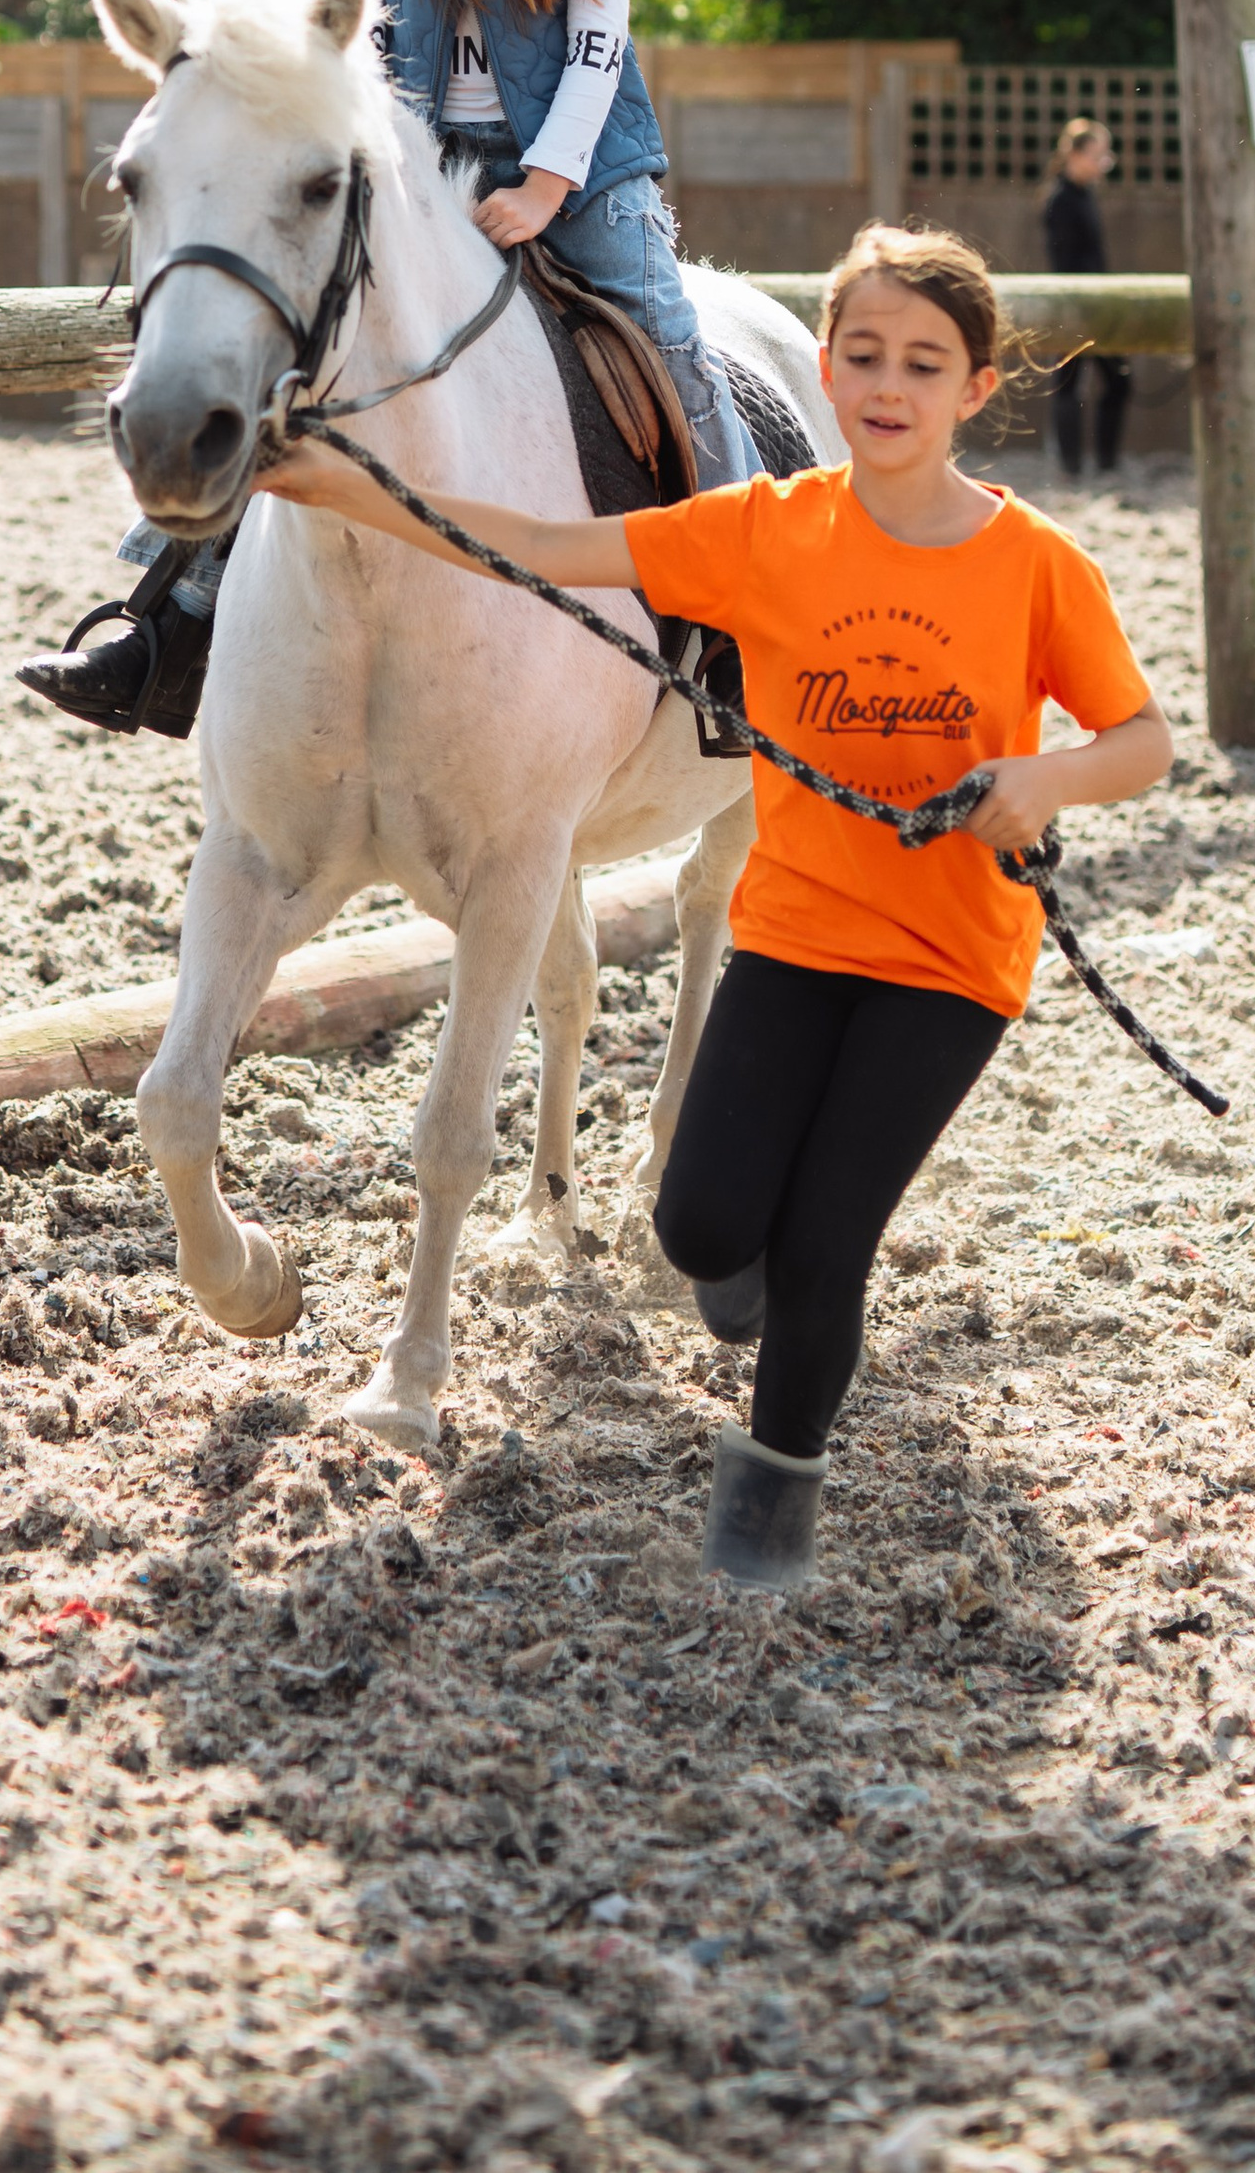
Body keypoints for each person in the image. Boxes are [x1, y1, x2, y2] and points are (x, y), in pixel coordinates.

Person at [260, 220, 1171, 1590]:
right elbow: (540, 545)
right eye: (861, 353)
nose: (887, 383)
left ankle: (773, 1499)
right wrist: (357, 491)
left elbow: (1144, 742)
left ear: (976, 391)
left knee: (825, 1243)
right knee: (700, 1233)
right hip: (794, 940)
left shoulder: (1034, 564)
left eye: (925, 363)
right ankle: (749, 1285)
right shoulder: (766, 531)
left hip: (948, 958)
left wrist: (1043, 779)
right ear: (823, 365)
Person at [20, 0, 756, 737]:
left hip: (578, 165)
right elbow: (359, 30)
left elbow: (597, 31)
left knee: (669, 338)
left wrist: (550, 180)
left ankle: (737, 617)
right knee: (293, 348)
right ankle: (165, 613)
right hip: (419, 162)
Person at [1040, 117, 1131, 480]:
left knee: (1117, 381)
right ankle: (1071, 465)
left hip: (1095, 303)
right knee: (1068, 383)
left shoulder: (1084, 196)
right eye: (1097, 155)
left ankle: (1104, 462)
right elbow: (1068, 261)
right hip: (1075, 305)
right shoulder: (1061, 199)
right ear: (1075, 156)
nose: (1101, 164)